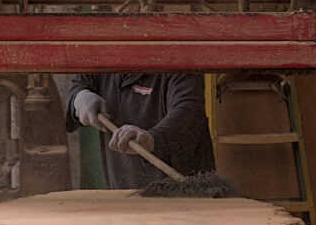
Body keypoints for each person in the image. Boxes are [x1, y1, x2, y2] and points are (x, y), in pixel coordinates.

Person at [65, 74, 215, 189]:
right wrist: (78, 97)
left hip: (183, 194)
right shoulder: (107, 53)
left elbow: (188, 110)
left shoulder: (178, 58)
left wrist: (152, 139)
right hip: (124, 194)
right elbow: (79, 84)